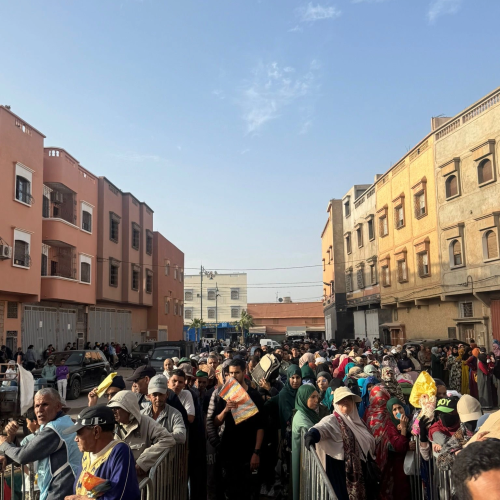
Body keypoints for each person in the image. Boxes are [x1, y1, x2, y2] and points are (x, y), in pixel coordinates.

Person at [0, 388, 82, 500]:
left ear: (58, 406)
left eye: (45, 405)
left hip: (60, 491)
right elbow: (29, 449)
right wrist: (6, 454)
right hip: (58, 489)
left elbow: (22, 456)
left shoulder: (56, 427)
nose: (39, 410)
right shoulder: (54, 424)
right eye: (37, 406)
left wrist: (4, 444)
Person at [305, 386, 376, 500]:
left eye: (348, 398)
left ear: (353, 402)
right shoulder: (332, 420)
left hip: (362, 474)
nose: (345, 401)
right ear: (335, 404)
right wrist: (312, 435)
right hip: (341, 473)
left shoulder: (359, 422)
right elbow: (322, 427)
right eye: (341, 399)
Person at [212, 358, 264, 500]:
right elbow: (216, 422)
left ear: (244, 372)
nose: (233, 376)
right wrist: (225, 410)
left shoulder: (254, 395)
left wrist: (256, 452)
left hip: (248, 451)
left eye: (237, 373)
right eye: (231, 373)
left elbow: (260, 426)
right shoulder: (224, 395)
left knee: (248, 492)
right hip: (228, 451)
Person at [63, 406, 140, 500]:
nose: (76, 439)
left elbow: (119, 495)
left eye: (79, 433)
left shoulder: (120, 451)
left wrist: (81, 498)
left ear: (96, 431)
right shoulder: (87, 453)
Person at [107, 390, 176, 477]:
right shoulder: (111, 426)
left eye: (117, 408)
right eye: (111, 408)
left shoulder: (146, 423)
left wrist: (143, 462)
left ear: (129, 408)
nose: (113, 412)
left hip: (139, 481)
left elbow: (168, 439)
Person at [365, 387, 413, 499]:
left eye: (383, 400)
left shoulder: (389, 415)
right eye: (378, 400)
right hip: (382, 457)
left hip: (392, 460)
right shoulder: (373, 415)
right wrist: (404, 443)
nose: (397, 411)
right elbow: (395, 444)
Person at [291, 385, 320, 500]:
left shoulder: (308, 413)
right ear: (303, 398)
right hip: (302, 459)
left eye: (317, 396)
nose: (316, 400)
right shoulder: (301, 418)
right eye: (312, 397)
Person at [141, 375, 186, 444]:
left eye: (161, 394)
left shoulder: (175, 414)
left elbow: (181, 436)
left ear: (167, 395)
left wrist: (158, 436)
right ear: (149, 396)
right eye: (155, 395)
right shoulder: (142, 415)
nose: (158, 398)